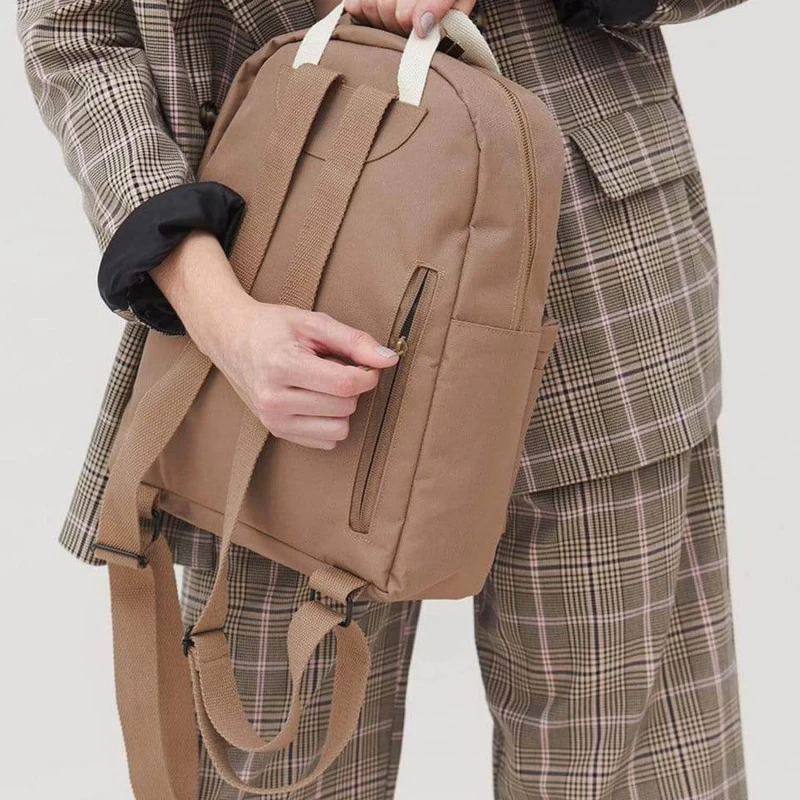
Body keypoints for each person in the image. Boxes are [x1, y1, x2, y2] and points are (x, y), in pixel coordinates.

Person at [18, 0, 749, 797]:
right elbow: (76, 31)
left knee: (625, 773)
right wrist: (219, 316)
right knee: (272, 765)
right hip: (277, 316)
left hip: (596, 303)